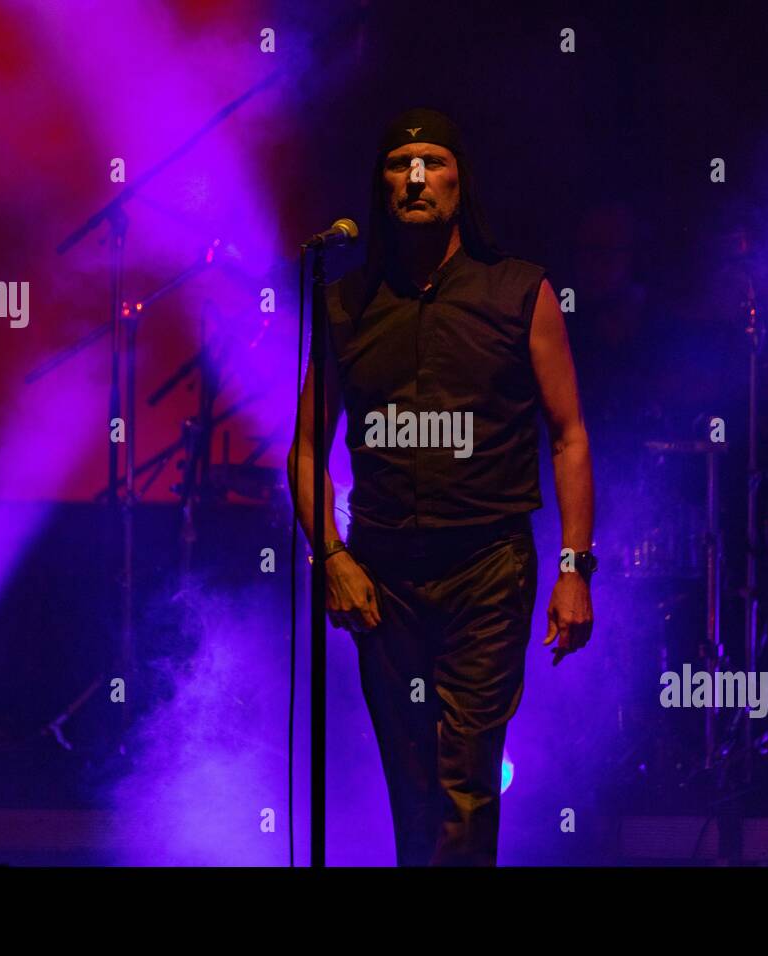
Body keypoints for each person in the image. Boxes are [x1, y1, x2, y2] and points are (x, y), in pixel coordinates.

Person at [288, 107, 595, 866]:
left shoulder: (519, 292)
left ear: (460, 180)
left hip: (487, 570)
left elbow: (570, 436)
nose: (416, 176)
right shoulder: (345, 303)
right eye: (400, 163)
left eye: (432, 161)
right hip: (382, 574)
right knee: (411, 783)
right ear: (382, 184)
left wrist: (573, 568)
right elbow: (304, 451)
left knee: (464, 781)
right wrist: (332, 557)